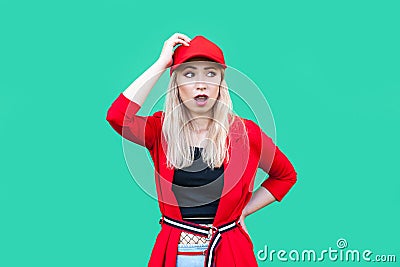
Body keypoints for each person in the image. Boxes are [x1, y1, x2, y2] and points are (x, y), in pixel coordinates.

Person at [106, 33, 297, 267]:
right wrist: (161, 63)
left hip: (230, 253)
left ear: (220, 84)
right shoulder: (160, 130)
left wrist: (243, 211)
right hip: (174, 253)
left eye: (210, 73)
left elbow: (285, 176)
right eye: (189, 74)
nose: (201, 83)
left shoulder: (246, 134)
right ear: (175, 85)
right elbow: (117, 117)